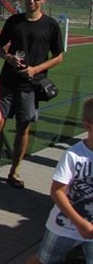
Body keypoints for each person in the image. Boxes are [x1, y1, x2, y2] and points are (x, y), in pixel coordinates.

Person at [0, 0, 64, 189]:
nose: (31, 1)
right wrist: (7, 58)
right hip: (7, 82)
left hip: (30, 85)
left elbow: (59, 57)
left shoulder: (50, 25)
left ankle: (15, 172)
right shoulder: (14, 21)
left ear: (43, 0)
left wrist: (36, 70)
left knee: (23, 128)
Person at [26, 98, 93, 264]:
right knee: (44, 261)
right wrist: (79, 223)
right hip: (64, 227)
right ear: (88, 126)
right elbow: (57, 191)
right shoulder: (73, 155)